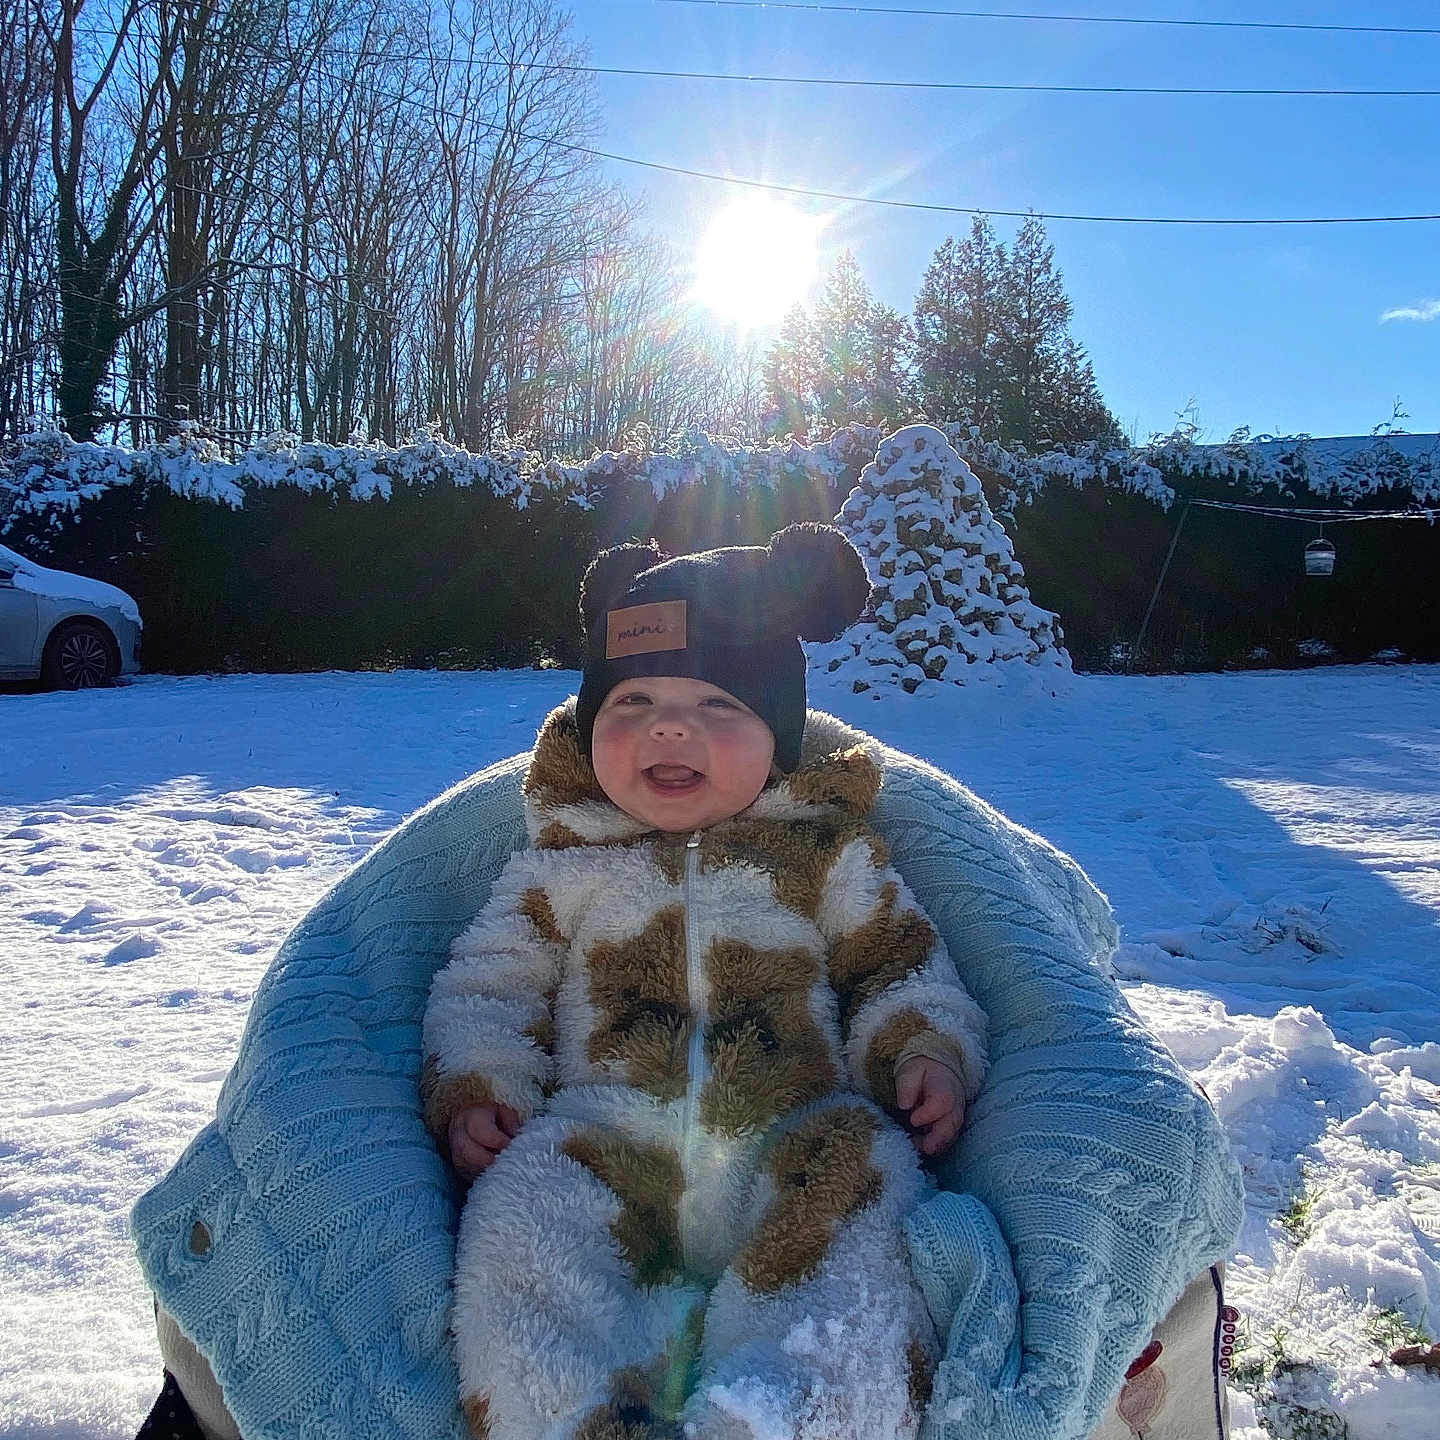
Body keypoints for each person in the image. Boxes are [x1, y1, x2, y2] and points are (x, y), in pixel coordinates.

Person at [421, 524, 988, 1440]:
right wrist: (481, 1086)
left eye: (718, 706)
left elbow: (898, 960)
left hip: (796, 1136)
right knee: (519, 1219)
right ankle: (566, 1416)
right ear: (588, 725)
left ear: (777, 736)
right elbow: (487, 986)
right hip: (604, 1142)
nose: (669, 727)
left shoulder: (821, 852)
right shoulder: (561, 866)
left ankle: (794, 1413)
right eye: (632, 698)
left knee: (871, 1198)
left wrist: (925, 1049)